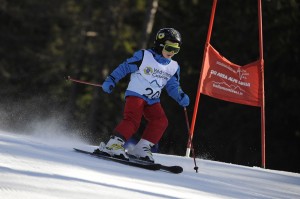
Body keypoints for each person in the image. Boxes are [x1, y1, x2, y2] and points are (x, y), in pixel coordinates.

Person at [98, 28, 190, 163]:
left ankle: (142, 148)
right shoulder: (144, 56)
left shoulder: (173, 67)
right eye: (169, 47)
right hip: (136, 94)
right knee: (133, 120)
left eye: (176, 50)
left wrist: (180, 96)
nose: (172, 52)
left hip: (153, 99)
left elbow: (172, 86)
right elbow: (125, 67)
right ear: (160, 44)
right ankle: (113, 144)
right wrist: (111, 79)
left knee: (160, 121)